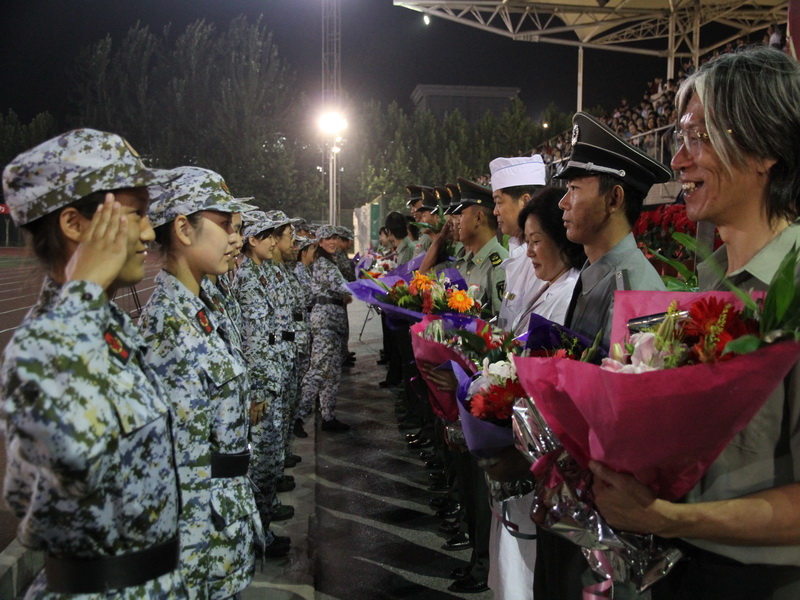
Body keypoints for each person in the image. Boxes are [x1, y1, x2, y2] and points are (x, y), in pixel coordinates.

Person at [590, 47, 800, 600]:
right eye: (680, 138)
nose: (678, 161)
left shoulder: (794, 286)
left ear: (764, 149)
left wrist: (667, 518)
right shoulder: (707, 285)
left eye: (699, 138)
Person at [1, 129, 186, 597]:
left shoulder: (105, 329)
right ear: (75, 224)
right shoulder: (44, 344)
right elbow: (75, 457)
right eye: (136, 214)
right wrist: (82, 291)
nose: (149, 233)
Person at [139, 166, 262, 599]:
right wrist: (189, 581)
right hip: (201, 550)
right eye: (225, 224)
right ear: (183, 230)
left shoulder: (201, 305)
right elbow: (181, 473)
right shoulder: (168, 328)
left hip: (224, 526)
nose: (236, 238)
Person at [234, 211, 294, 557]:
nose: (274, 241)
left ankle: (263, 529)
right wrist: (258, 390)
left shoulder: (262, 272)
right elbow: (254, 340)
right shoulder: (248, 278)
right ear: (252, 240)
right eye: (267, 235)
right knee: (261, 465)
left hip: (273, 374)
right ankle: (259, 537)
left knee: (269, 462)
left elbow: (273, 329)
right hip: (263, 384)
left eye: (275, 235)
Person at [300, 224, 353, 431]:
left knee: (332, 372)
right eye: (328, 238)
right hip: (325, 323)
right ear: (320, 242)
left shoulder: (330, 261)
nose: (332, 242)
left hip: (333, 322)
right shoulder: (323, 263)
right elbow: (344, 286)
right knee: (319, 369)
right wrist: (372, 288)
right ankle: (298, 416)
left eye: (335, 238)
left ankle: (328, 417)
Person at [489, 155, 548, 331]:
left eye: (499, 202)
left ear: (525, 201)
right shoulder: (517, 250)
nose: (495, 211)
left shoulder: (540, 258)